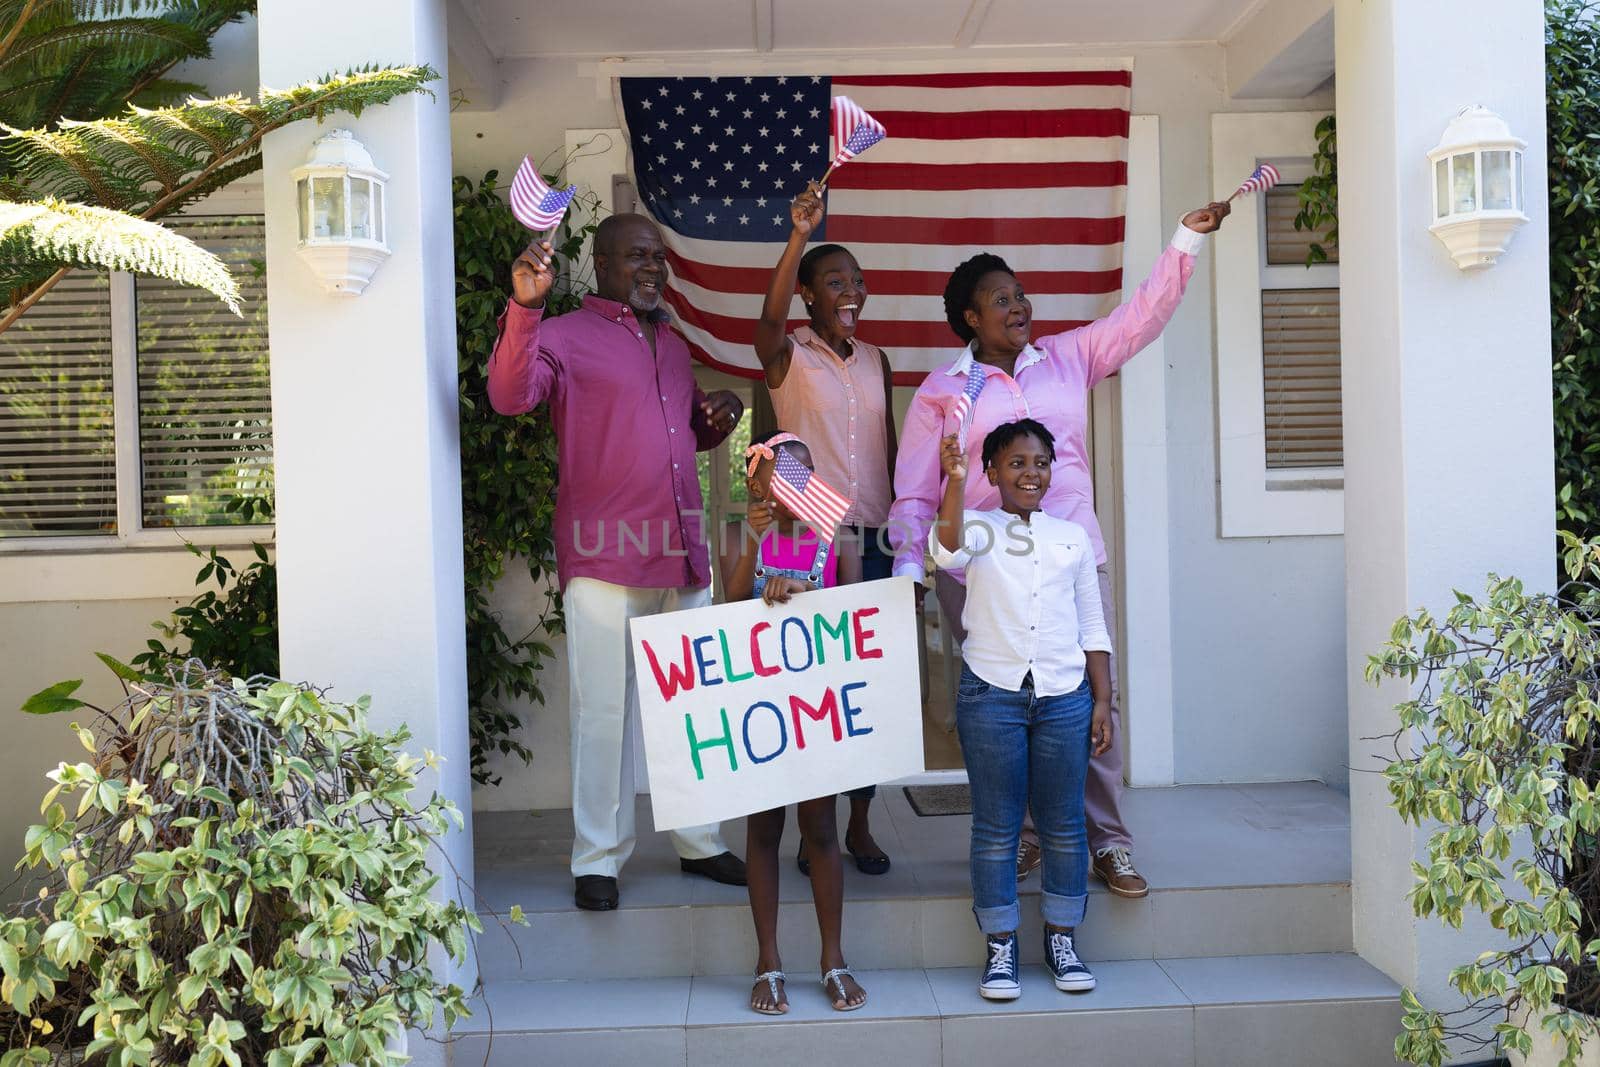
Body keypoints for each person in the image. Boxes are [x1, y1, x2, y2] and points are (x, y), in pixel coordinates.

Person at [888, 202, 1231, 897]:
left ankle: (1107, 840)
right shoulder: (943, 391)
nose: (1019, 306)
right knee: (1003, 701)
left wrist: (1184, 241)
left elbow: (1141, 317)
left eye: (1020, 294)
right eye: (1001, 300)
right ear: (969, 319)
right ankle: (1020, 837)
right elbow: (916, 494)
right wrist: (906, 571)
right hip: (982, 574)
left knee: (1093, 694)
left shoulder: (1069, 357)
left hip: (1073, 559)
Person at [487, 214, 749, 912]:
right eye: (637, 256)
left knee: (693, 707)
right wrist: (525, 305)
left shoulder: (671, 342)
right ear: (600, 263)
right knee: (603, 711)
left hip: (681, 552)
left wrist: (713, 415)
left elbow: (683, 431)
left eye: (658, 257)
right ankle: (598, 857)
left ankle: (700, 839)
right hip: (604, 555)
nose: (653, 268)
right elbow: (509, 396)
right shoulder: (563, 336)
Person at [932, 419, 1112, 999]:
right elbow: (944, 546)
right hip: (992, 696)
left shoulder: (1072, 537)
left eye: (1039, 462)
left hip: (1065, 698)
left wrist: (1103, 699)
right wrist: (954, 481)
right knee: (995, 828)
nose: (1029, 473)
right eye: (1015, 463)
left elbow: (1091, 624)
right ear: (992, 471)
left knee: (1063, 825)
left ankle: (1062, 940)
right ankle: (1001, 947)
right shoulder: (980, 528)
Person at [754, 180, 895, 877]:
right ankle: (810, 831)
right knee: (804, 681)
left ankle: (858, 821)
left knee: (864, 687)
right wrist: (798, 237)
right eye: (835, 281)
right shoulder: (789, 354)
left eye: (858, 281)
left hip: (869, 539)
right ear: (809, 293)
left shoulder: (877, 360)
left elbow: (889, 453)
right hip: (798, 537)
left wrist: (901, 552)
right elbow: (768, 322)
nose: (851, 290)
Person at [724, 431, 867, 1015]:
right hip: (762, 711)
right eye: (781, 473)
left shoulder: (841, 541)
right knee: (763, 832)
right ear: (755, 484)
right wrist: (755, 542)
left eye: (805, 474)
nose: (795, 484)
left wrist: (811, 594)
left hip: (817, 710)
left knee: (822, 830)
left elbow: (861, 621)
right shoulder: (741, 538)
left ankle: (833, 958)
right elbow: (726, 610)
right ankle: (768, 960)